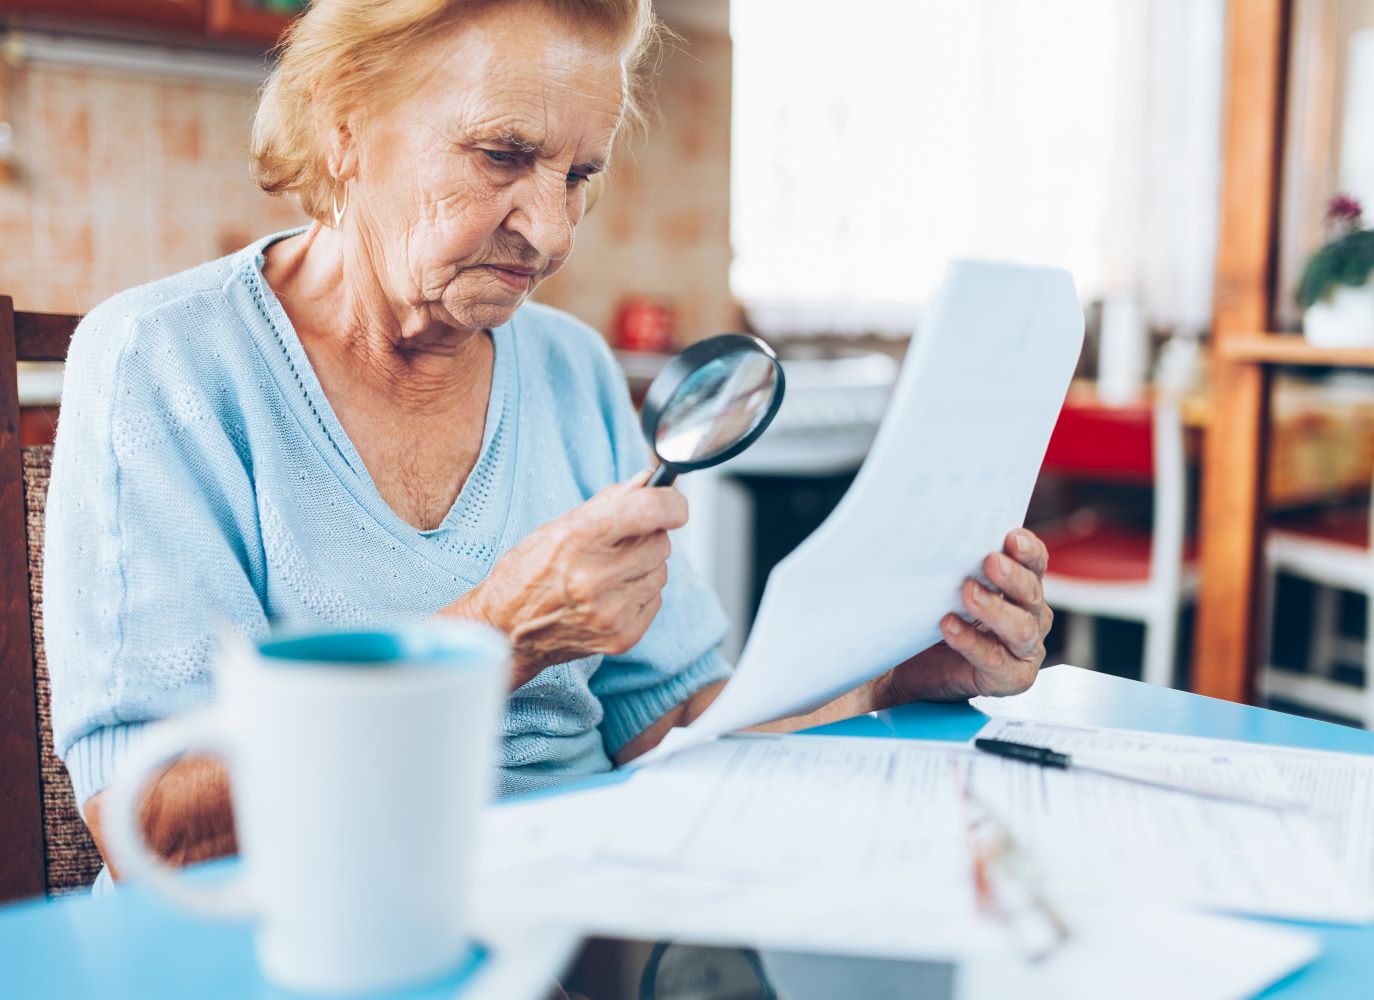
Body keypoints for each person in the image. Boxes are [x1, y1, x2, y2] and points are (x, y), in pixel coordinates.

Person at [45, 0, 1053, 882]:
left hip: (579, 915)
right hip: (316, 935)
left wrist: (882, 686)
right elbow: (159, 831)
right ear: (341, 124)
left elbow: (671, 724)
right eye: (502, 156)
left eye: (577, 173)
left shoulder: (569, 366)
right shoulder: (161, 361)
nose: (555, 231)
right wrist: (500, 638)